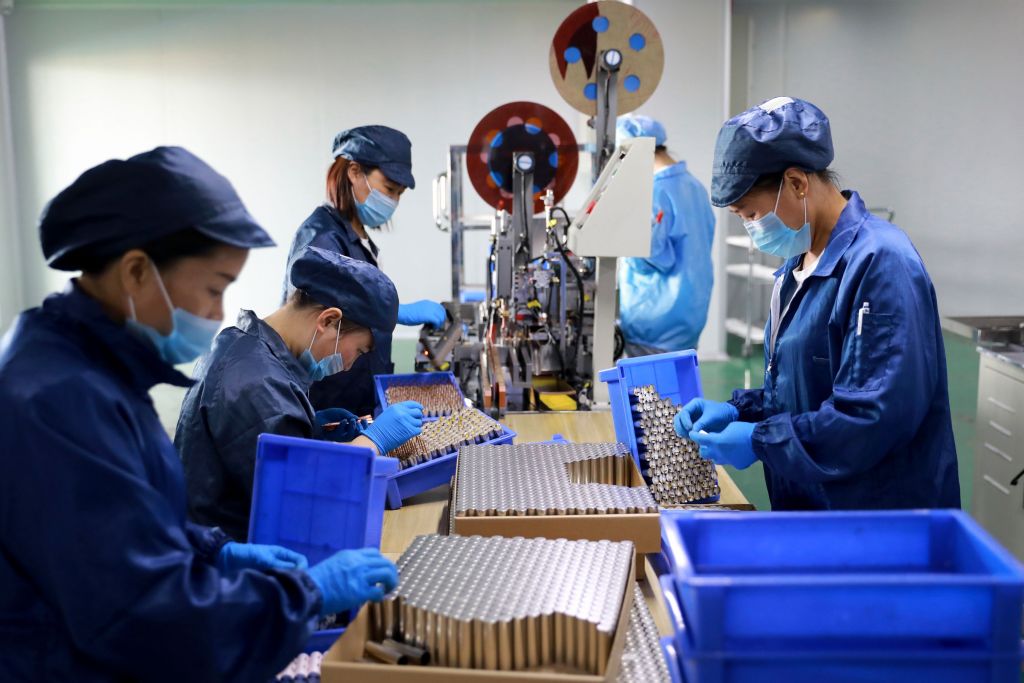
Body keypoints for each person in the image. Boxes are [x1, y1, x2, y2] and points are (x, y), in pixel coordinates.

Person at [0, 147, 398, 681]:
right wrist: (306, 592)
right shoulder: (57, 399)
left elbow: (130, 525)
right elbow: (143, 612)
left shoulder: (97, 367)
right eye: (212, 290)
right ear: (137, 271)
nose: (215, 314)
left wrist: (213, 553)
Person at [675, 97, 960, 510]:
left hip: (876, 520)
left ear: (796, 183)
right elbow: (798, 390)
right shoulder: (801, 262)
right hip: (816, 507)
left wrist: (759, 442)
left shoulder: (881, 264)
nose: (751, 227)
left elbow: (871, 420)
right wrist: (740, 411)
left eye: (750, 213)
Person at [177, 246, 424, 541]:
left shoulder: (245, 345)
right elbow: (302, 497)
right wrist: (372, 441)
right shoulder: (256, 383)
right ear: (328, 321)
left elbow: (261, 448)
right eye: (359, 351)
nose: (349, 365)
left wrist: (310, 430)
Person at [282, 125, 447, 416]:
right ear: (355, 172)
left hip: (358, 392)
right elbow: (322, 317)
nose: (394, 201)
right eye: (389, 189)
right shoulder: (321, 237)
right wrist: (398, 312)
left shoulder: (356, 236)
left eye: (399, 194)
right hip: (333, 395)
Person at [616, 115, 716, 356]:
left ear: (631, 151)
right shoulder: (694, 186)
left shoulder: (653, 192)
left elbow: (652, 254)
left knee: (650, 393)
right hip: (690, 313)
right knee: (677, 389)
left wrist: (625, 249)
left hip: (655, 318)